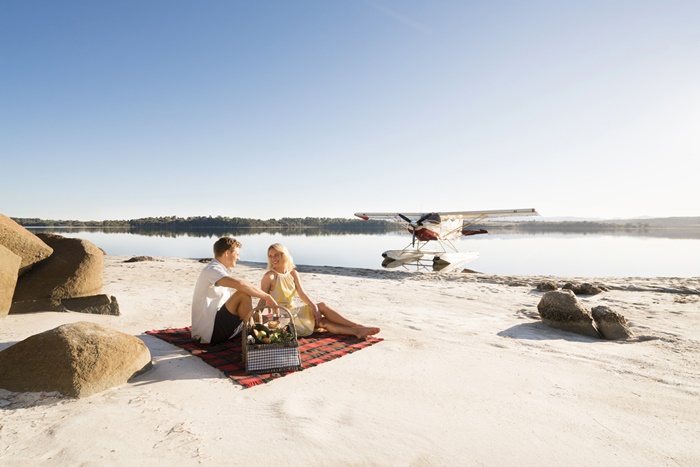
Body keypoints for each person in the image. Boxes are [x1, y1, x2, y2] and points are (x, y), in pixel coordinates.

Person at [260, 243, 380, 339]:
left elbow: (302, 294)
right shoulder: (269, 276)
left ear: (284, 255)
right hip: (283, 316)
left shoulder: (293, 273)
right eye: (270, 256)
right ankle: (357, 330)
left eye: (276, 255)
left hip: (294, 311)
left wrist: (314, 307)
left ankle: (357, 328)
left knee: (321, 307)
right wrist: (255, 318)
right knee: (323, 322)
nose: (273, 259)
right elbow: (262, 300)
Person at [191, 237, 277, 344]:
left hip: (217, 324)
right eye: (236, 254)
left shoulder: (222, 270)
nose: (238, 258)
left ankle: (252, 329)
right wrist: (267, 296)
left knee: (259, 316)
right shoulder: (212, 269)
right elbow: (240, 284)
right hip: (210, 333)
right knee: (243, 293)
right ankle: (254, 334)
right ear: (227, 253)